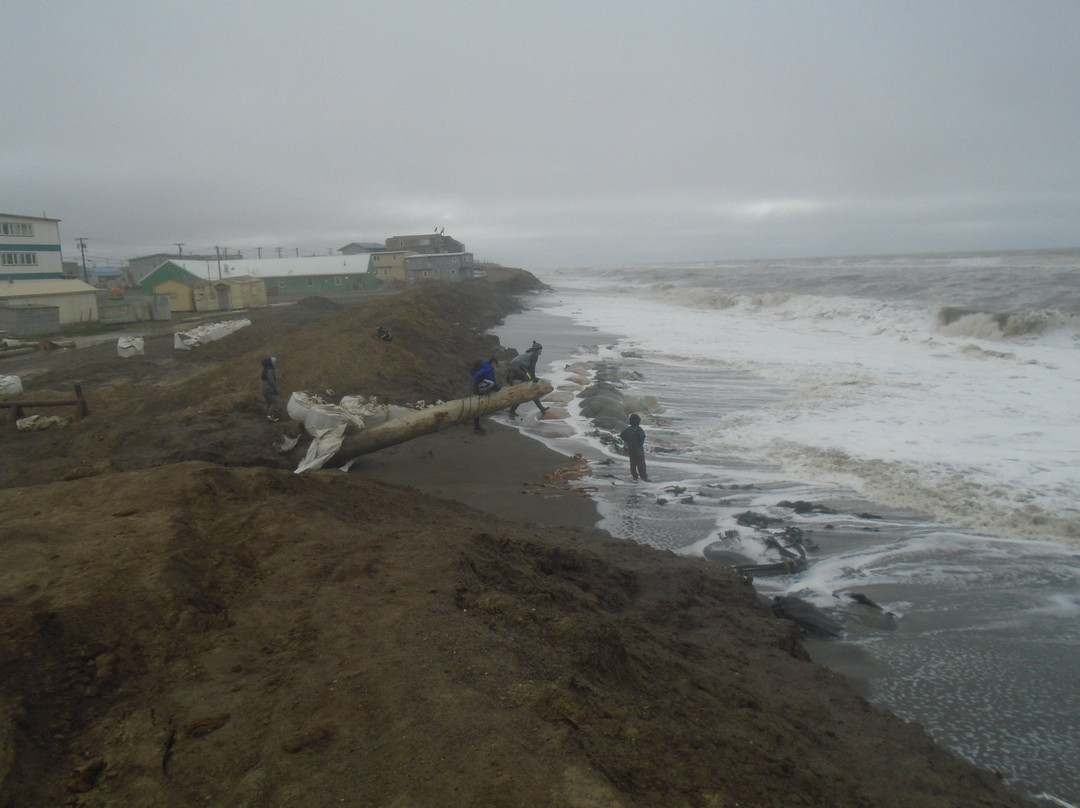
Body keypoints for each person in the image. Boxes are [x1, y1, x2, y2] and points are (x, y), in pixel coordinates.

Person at [506, 341, 549, 418]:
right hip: (517, 367)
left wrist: (533, 378)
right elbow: (532, 367)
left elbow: (529, 371)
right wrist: (534, 378)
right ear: (537, 350)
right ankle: (541, 408)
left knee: (527, 388)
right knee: (530, 387)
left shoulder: (530, 353)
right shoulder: (534, 355)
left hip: (515, 367)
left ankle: (512, 410)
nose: (541, 351)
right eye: (541, 349)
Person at [470, 357, 500, 434]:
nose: (495, 366)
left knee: (478, 407)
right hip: (477, 387)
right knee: (491, 384)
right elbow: (492, 381)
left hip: (476, 386)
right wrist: (498, 389)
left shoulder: (486, 366)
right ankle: (477, 427)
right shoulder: (488, 369)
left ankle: (477, 427)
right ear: (492, 363)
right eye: (495, 364)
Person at [619, 413, 649, 481]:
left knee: (633, 464)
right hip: (639, 450)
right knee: (641, 464)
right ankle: (643, 476)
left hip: (631, 449)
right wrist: (640, 444)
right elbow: (642, 437)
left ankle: (635, 476)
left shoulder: (628, 429)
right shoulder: (639, 429)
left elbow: (622, 435)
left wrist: (628, 441)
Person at [260, 356, 281, 422]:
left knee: (269, 403)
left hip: (264, 390)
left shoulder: (265, 370)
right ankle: (270, 416)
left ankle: (268, 416)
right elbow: (272, 382)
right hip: (269, 390)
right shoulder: (270, 370)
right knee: (274, 403)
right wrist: (276, 390)